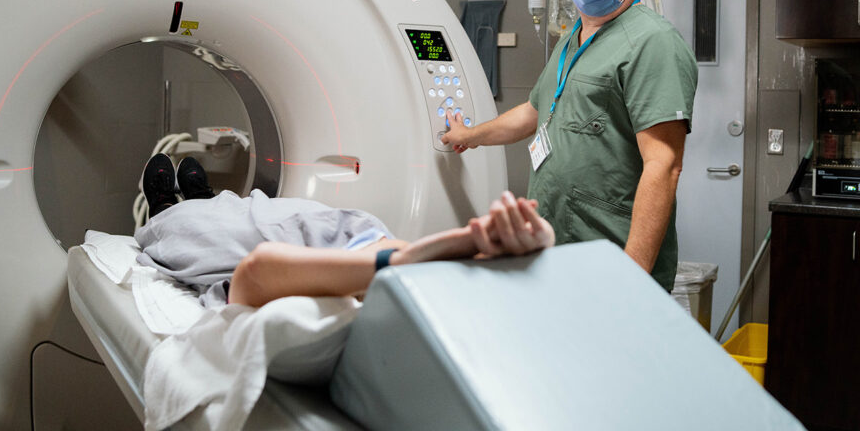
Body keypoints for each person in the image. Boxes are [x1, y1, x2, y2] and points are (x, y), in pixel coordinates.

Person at [440, 0, 698, 292]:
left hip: (610, 257)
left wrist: (633, 278)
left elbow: (664, 166)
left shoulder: (652, 43)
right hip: (556, 247)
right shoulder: (572, 36)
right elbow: (534, 112)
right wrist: (469, 136)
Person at [137, 153, 554, 308]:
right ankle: (204, 199)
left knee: (195, 228)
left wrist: (415, 257)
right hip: (338, 236)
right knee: (350, 229)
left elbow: (257, 271)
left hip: (257, 255)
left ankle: (166, 210)